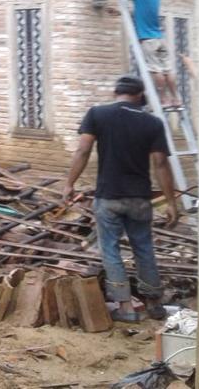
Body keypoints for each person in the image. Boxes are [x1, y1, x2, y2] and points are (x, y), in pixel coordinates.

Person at [63, 75, 179, 323]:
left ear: (117, 93)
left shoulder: (97, 114)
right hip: (139, 197)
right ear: (140, 95)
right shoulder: (153, 123)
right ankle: (154, 304)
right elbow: (160, 163)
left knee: (110, 249)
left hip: (109, 196)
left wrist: (69, 183)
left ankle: (125, 307)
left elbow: (83, 150)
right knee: (144, 248)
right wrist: (171, 201)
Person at [96, 0, 181, 107]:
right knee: (168, 69)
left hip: (148, 40)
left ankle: (164, 99)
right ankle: (176, 99)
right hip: (159, 39)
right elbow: (141, 13)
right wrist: (119, 12)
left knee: (156, 70)